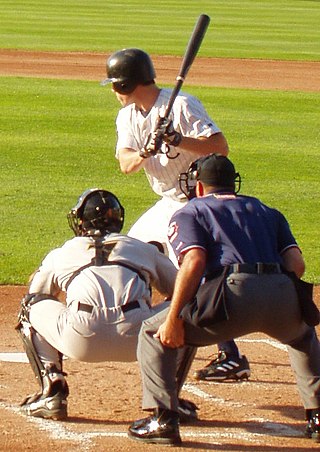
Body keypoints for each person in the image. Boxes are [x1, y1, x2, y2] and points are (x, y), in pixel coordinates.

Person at [127, 154, 320, 446]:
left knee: (154, 332)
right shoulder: (268, 211)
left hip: (232, 295)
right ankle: (317, 418)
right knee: (303, 338)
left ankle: (164, 419)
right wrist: (274, 293)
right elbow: (296, 263)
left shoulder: (190, 211)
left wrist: (174, 317)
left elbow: (193, 262)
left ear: (199, 187)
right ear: (233, 183)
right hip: (281, 291)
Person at [101, 47, 250, 382]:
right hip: (167, 203)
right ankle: (133, 322)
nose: (112, 91)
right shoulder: (127, 117)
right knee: (125, 252)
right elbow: (126, 165)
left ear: (126, 84)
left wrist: (178, 139)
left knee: (191, 272)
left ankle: (231, 356)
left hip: (197, 203)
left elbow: (220, 147)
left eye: (114, 84)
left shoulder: (181, 105)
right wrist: (146, 150)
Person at [16, 188, 197, 421]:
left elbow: (37, 293)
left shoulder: (63, 252)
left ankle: (52, 390)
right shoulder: (142, 248)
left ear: (81, 221)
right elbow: (180, 290)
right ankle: (168, 399)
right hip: (140, 339)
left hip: (80, 339)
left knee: (30, 306)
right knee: (186, 309)